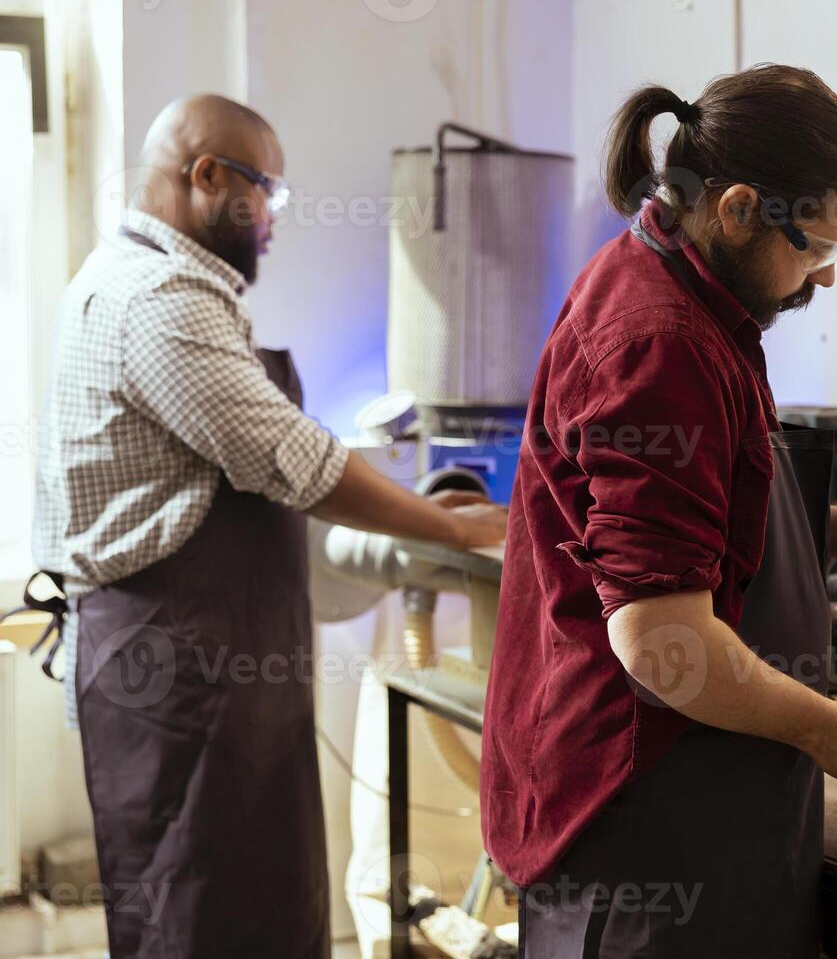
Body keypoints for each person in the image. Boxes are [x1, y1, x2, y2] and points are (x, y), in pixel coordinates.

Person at [483, 64, 837, 957]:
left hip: (702, 779)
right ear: (737, 208)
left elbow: (698, 502)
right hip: (645, 803)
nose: (824, 278)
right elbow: (660, 640)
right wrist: (825, 726)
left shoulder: (685, 288)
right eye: (813, 248)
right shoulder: (660, 341)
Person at [30, 94, 506, 958]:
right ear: (206, 175)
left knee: (221, 907)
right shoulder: (160, 298)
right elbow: (297, 460)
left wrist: (424, 516)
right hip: (183, 674)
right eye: (269, 195)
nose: (276, 220)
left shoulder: (131, 277)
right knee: (208, 918)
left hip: (198, 669)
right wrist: (461, 532)